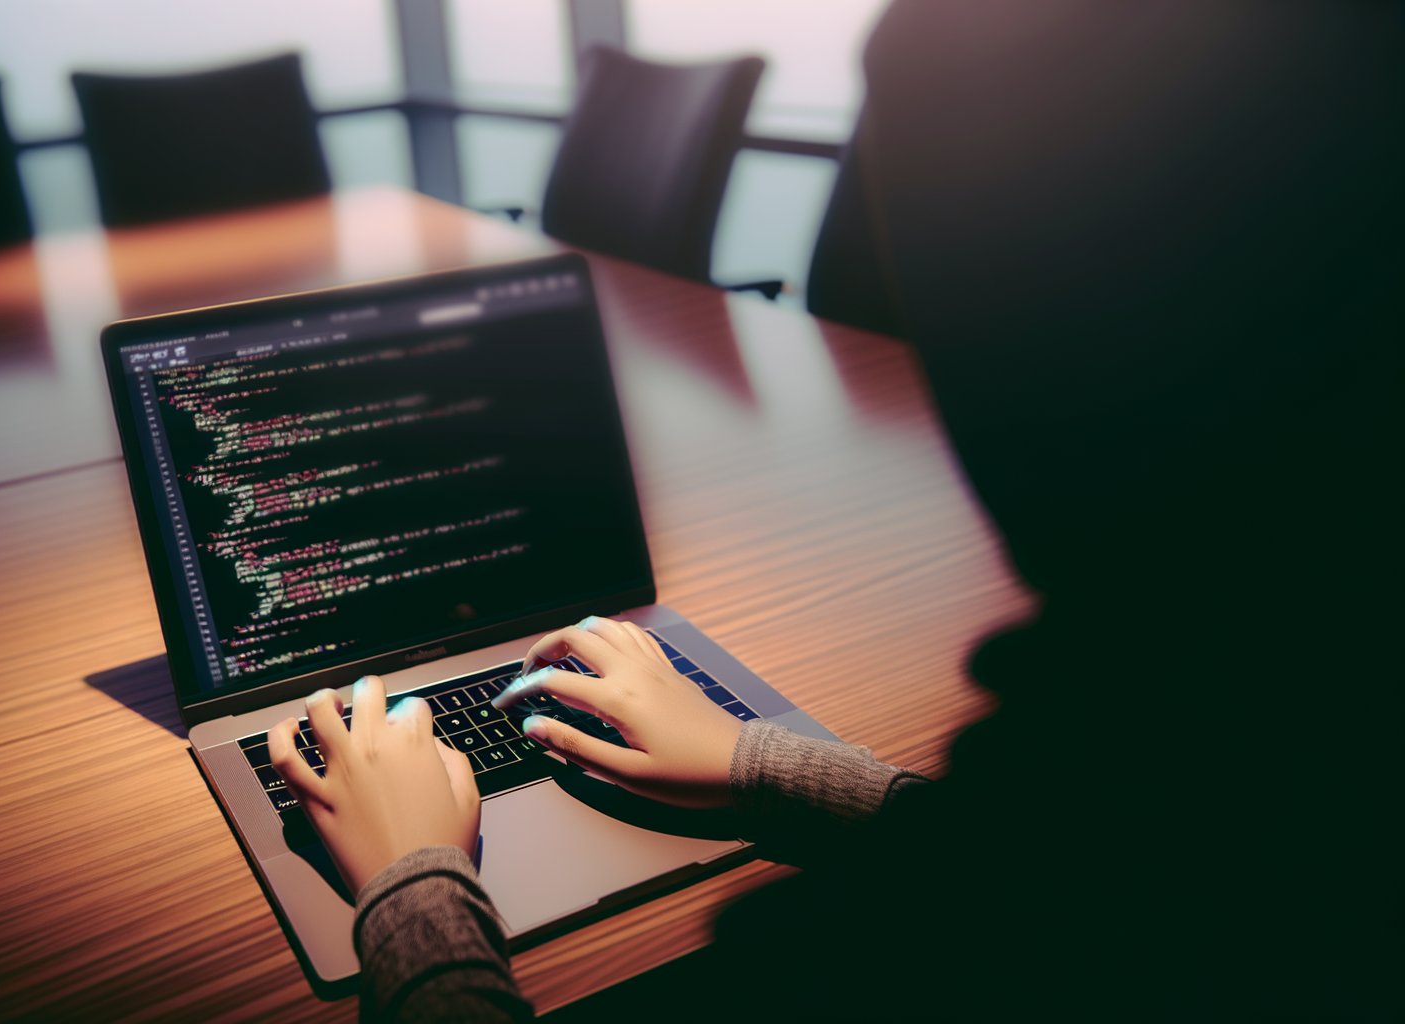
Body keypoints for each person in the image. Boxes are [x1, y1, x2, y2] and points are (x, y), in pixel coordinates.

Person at [271, 0, 1402, 1018]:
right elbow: (1053, 846)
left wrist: (409, 876)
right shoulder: (1283, 731)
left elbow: (1041, 880)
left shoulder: (966, 937)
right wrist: (759, 760)